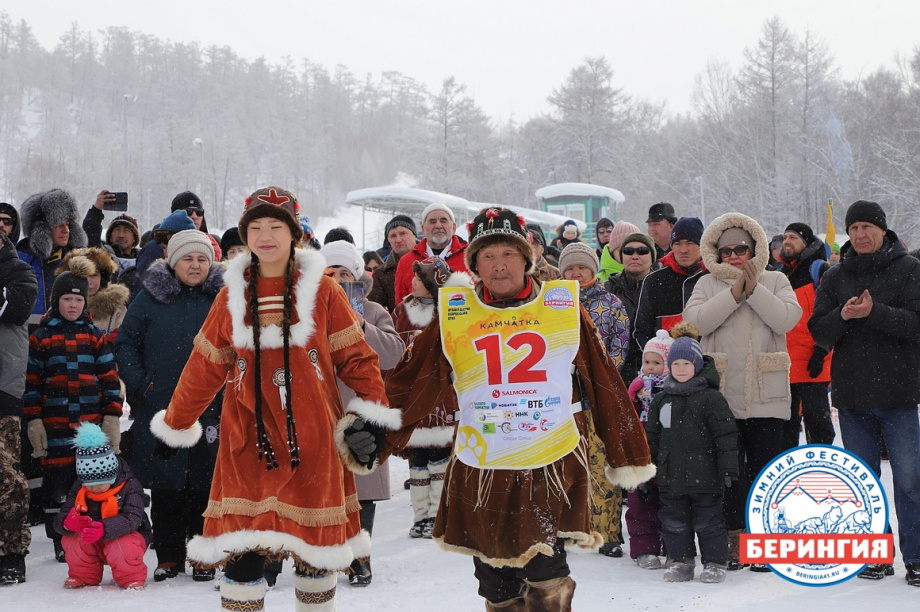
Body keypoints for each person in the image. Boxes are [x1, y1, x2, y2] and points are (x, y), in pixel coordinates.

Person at [383, 206, 654, 611]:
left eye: (508, 254)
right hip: (481, 462)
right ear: (474, 263)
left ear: (527, 257)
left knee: (545, 568)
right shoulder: (458, 313)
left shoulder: (560, 306)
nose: (498, 265)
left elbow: (603, 381)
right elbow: (415, 378)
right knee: (494, 578)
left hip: (549, 457)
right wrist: (374, 431)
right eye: (487, 256)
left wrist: (626, 451)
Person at [150, 187, 395, 611]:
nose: (265, 235)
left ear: (294, 233)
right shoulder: (230, 295)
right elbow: (204, 366)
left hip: (314, 440)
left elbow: (358, 359)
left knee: (314, 558)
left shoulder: (325, 291)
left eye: (275, 226)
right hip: (248, 439)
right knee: (244, 558)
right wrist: (176, 423)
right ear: (245, 235)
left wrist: (370, 416)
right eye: (256, 227)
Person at [808, 200, 920, 586]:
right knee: (864, 482)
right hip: (852, 397)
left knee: (909, 480)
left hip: (899, 395)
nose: (860, 234)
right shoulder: (836, 275)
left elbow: (916, 324)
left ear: (883, 230)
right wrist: (842, 315)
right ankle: (875, 554)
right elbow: (818, 331)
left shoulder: (909, 269)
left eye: (866, 227)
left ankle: (917, 557)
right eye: (853, 228)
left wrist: (874, 312)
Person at [683, 212, 801, 571]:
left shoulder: (776, 279)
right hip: (723, 398)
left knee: (765, 471)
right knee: (729, 473)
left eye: (742, 249)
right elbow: (696, 323)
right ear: (716, 254)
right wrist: (735, 293)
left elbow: (786, 319)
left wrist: (754, 288)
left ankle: (763, 541)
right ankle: (734, 540)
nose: (734, 256)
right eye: (727, 250)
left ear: (756, 250)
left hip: (768, 395)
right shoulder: (705, 284)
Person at [115, 230, 225, 582]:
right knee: (166, 485)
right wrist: (141, 385)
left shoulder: (224, 297)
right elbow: (127, 343)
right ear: (173, 262)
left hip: (213, 406)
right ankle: (169, 556)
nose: (195, 265)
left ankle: (203, 555)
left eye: (202, 259)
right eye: (188, 258)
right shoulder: (149, 298)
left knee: (206, 485)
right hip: (162, 404)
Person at [319, 239, 405, 586]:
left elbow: (394, 354)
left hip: (360, 407)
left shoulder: (372, 310)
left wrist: (358, 325)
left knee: (363, 487)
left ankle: (359, 558)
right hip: (321, 408)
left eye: (345, 273)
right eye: (331, 273)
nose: (339, 280)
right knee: (318, 486)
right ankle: (314, 555)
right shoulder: (305, 309)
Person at [24, 271, 123, 562]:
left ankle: (89, 534)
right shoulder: (41, 337)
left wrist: (111, 416)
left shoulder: (95, 336)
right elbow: (31, 383)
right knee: (57, 485)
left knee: (89, 481)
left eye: (78, 299)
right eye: (67, 299)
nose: (72, 305)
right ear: (56, 301)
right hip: (54, 426)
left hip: (89, 427)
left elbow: (109, 379)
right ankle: (61, 538)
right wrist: (33, 419)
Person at [645, 329, 738, 584]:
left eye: (686, 363)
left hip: (705, 477)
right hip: (671, 477)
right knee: (674, 523)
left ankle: (715, 562)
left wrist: (728, 468)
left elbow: (726, 436)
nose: (681, 368)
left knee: (709, 523)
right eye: (676, 363)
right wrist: (646, 471)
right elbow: (652, 438)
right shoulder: (662, 401)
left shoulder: (711, 398)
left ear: (696, 365)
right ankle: (681, 562)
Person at [559, 242, 630, 559]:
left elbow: (620, 345)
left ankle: (607, 533)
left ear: (592, 269)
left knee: (602, 465)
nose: (576, 273)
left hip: (600, 396)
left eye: (581, 267)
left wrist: (595, 375)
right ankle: (568, 531)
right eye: (570, 268)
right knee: (566, 466)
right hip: (562, 400)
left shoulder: (611, 303)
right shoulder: (552, 305)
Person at [392, 257, 465, 540]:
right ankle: (419, 515)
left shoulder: (452, 309)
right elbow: (395, 345)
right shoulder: (402, 309)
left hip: (443, 390)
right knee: (417, 458)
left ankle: (437, 514)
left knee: (440, 455)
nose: (413, 283)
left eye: (420, 279)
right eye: (413, 278)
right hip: (413, 391)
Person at [53, 422, 151, 589]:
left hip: (127, 536)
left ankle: (131, 577)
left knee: (122, 546)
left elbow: (132, 519)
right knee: (72, 540)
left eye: (100, 483)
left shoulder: (130, 486)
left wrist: (104, 528)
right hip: (93, 539)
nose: (94, 489)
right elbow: (61, 517)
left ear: (113, 476)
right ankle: (84, 575)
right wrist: (67, 523)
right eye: (89, 485)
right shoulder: (79, 488)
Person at [0, 230, 38, 586]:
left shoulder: (18, 269)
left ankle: (11, 552)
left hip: (3, 388)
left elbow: (17, 305)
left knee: (5, 475)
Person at [776, 223, 835, 450]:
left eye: (793, 237)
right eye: (785, 237)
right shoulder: (780, 273)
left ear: (807, 242)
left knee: (819, 428)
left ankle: (819, 473)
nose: (787, 241)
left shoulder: (820, 270)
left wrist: (822, 349)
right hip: (786, 365)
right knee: (786, 430)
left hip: (814, 363)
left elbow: (832, 314)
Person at [625, 328, 673, 570]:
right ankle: (644, 546)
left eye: (656, 362)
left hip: (670, 447)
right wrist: (632, 398)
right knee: (640, 496)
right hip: (643, 447)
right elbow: (629, 417)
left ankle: (673, 545)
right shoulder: (639, 384)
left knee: (671, 498)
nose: (650, 367)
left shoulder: (675, 388)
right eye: (646, 362)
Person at [633, 217, 707, 351]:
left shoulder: (712, 278)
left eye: (690, 243)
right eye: (678, 243)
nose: (683, 249)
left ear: (702, 245)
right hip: (666, 369)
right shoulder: (654, 281)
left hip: (708, 366)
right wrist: (658, 359)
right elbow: (641, 331)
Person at [17, 188, 88, 325]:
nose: (66, 230)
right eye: (58, 225)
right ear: (41, 228)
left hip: (64, 341)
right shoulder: (20, 261)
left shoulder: (76, 261)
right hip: (27, 341)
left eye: (68, 224)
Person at [607, 232, 658, 384]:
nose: (635, 256)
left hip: (656, 374)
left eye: (642, 251)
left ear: (652, 257)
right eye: (628, 251)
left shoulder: (663, 288)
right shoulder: (608, 290)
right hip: (618, 375)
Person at [393, 203, 469, 305]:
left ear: (454, 227)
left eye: (443, 220)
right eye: (432, 221)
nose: (438, 225)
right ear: (423, 229)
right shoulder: (406, 261)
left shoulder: (469, 256)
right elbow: (401, 305)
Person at [56, 247, 130, 340]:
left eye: (94, 275)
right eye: (83, 275)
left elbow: (123, 341)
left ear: (103, 278)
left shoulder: (117, 310)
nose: (88, 282)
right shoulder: (59, 305)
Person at [130, 208, 196, 299]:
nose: (165, 254)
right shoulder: (157, 285)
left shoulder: (207, 286)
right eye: (163, 248)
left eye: (169, 248)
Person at [369, 214, 418, 312]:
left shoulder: (431, 260)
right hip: (400, 325)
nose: (398, 240)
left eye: (403, 233)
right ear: (389, 241)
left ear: (415, 236)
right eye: (393, 236)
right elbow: (373, 310)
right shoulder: (382, 274)